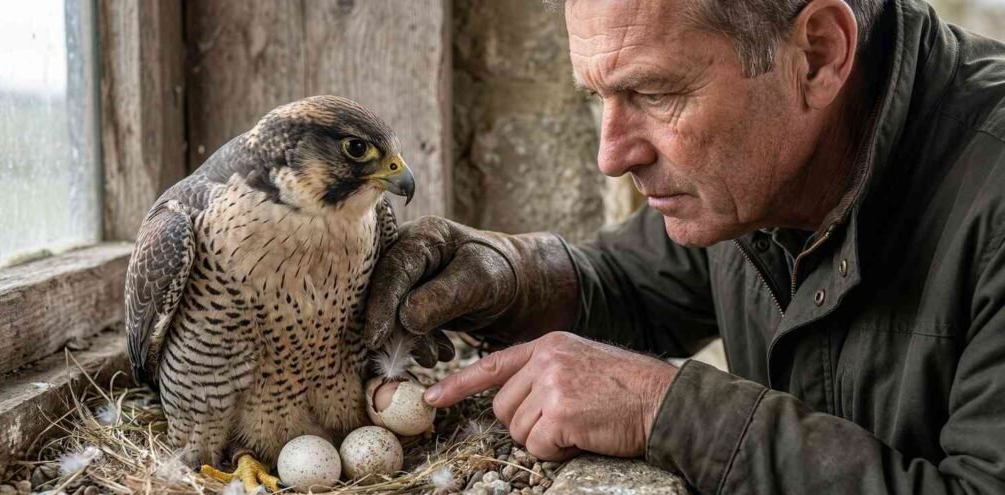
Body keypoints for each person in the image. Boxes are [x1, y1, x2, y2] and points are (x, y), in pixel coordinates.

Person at [363, 0, 1005, 493]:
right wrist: (511, 276)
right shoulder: (760, 167)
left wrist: (665, 409)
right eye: (600, 97)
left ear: (817, 53)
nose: (611, 157)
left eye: (654, 93)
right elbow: (634, 286)